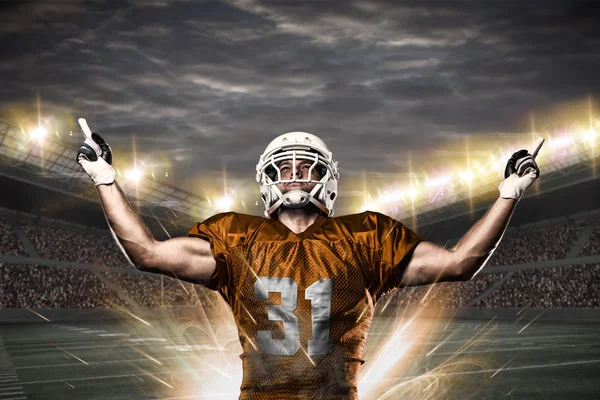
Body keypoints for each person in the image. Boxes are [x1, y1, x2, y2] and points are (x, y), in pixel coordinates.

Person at [76, 125, 543, 399]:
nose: (295, 175)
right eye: (284, 168)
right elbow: (147, 253)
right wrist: (105, 180)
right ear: (267, 180)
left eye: (308, 167)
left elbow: (461, 262)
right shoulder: (236, 236)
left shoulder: (366, 236)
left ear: (327, 179)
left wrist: (507, 194)